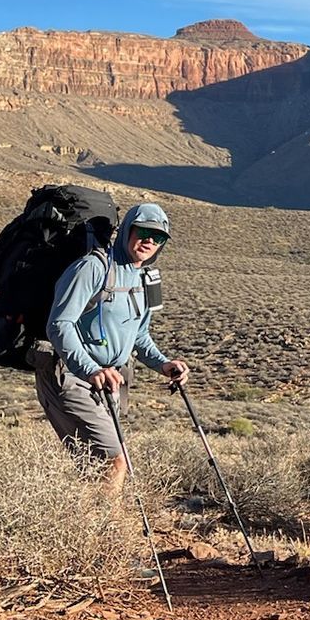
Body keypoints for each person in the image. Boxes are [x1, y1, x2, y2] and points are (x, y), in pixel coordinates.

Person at [37, 201, 188, 497]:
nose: (149, 241)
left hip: (111, 381)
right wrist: (90, 369)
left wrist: (163, 364)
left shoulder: (145, 279)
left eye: (157, 237)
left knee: (92, 466)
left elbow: (139, 335)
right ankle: (110, 533)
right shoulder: (93, 267)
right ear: (127, 231)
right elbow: (59, 325)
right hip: (70, 375)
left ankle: (83, 530)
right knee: (113, 460)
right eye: (143, 231)